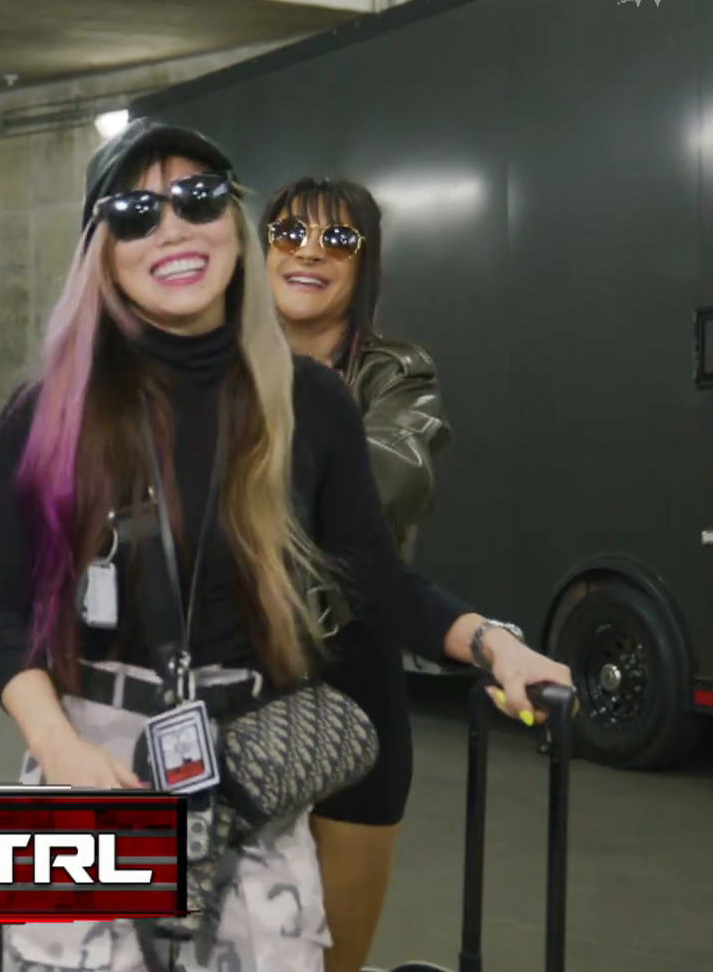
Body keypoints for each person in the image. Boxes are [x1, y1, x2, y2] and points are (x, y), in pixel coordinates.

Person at [0, 119, 571, 971]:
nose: (172, 228)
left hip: (250, 776)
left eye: (198, 198)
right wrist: (61, 751)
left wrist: (494, 645)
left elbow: (377, 583)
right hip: (95, 769)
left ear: (234, 226)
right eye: (136, 212)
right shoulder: (47, 413)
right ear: (100, 252)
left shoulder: (312, 403)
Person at [263, 176, 450, 972]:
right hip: (227, 676)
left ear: (364, 262)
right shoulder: (206, 366)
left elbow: (377, 489)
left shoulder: (397, 376)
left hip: (351, 680)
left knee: (333, 958)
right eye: (289, 233)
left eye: (337, 239)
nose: (309, 251)